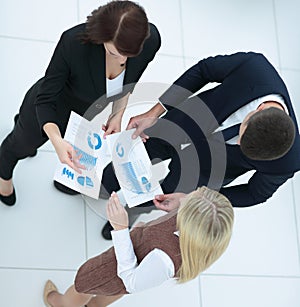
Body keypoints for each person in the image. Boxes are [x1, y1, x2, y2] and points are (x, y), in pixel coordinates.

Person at [100, 51, 300, 239]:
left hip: (203, 173)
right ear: (260, 109)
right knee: (129, 157)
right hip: (181, 124)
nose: (236, 142)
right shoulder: (255, 69)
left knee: (158, 197)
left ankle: (128, 213)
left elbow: (254, 193)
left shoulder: (289, 161)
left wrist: (197, 197)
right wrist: (154, 112)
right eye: (241, 136)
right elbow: (204, 70)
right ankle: (101, 185)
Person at [0, 0, 161, 206]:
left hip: (83, 114)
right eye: (114, 53)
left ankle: (21, 126)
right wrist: (57, 141)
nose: (122, 59)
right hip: (52, 106)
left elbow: (129, 82)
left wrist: (117, 114)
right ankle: (3, 175)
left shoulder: (150, 40)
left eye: (128, 55)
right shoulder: (74, 42)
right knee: (19, 145)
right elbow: (45, 99)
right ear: (101, 37)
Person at [43, 186, 234, 307]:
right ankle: (94, 305)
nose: (186, 196)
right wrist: (180, 202)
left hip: (118, 270)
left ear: (190, 221)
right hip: (132, 264)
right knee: (112, 292)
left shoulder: (165, 259)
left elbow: (130, 282)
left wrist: (120, 229)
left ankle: (59, 303)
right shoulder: (202, 234)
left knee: (83, 286)